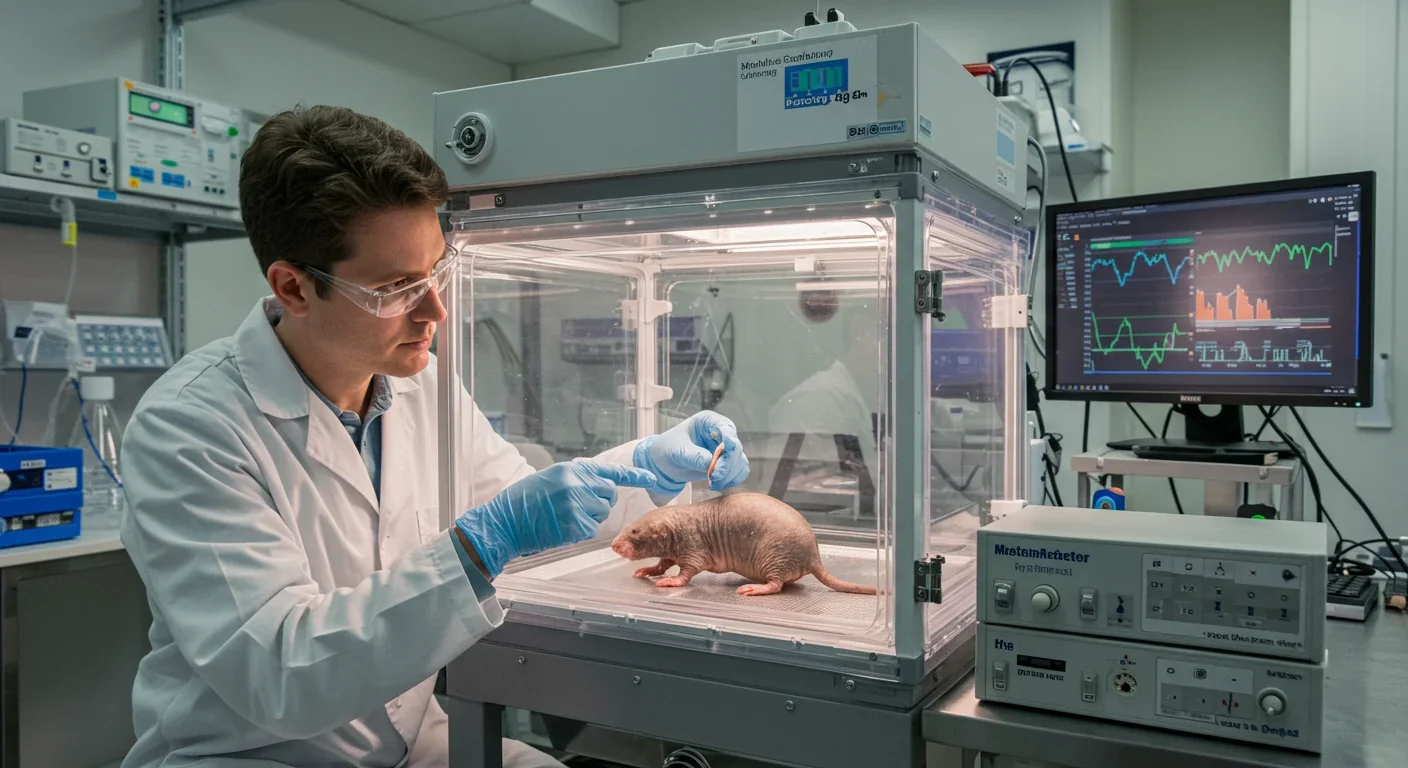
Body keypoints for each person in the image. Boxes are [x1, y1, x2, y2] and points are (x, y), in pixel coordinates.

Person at [118, 105, 749, 768]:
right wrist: (480, 546)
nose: (435, 310)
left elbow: (530, 515)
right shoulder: (191, 428)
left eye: (436, 272)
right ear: (294, 287)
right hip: (256, 754)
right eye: (395, 287)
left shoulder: (421, 385)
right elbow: (283, 671)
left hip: (413, 744)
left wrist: (645, 472)